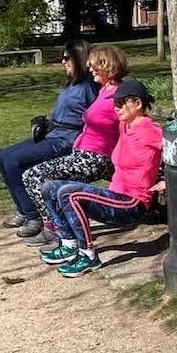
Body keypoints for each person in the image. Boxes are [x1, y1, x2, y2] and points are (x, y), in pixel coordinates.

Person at [38, 79, 163, 277]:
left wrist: (168, 181)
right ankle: (69, 245)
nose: (117, 108)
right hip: (114, 196)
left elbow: (176, 146)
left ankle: (88, 255)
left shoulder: (148, 130)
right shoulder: (126, 126)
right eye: (115, 103)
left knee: (70, 194)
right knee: (49, 187)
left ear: (138, 104)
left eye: (122, 103)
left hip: (132, 203)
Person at [18, 45, 129, 245]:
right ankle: (59, 228)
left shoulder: (119, 94)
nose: (90, 68)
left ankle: (56, 231)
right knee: (41, 179)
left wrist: (124, 163)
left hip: (96, 158)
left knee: (33, 175)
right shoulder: (104, 91)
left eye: (94, 65)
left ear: (107, 66)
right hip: (82, 153)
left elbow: (131, 127)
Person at [0, 40, 99, 235]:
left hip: (65, 141)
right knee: (2, 156)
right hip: (52, 135)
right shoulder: (73, 84)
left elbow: (95, 117)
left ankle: (33, 216)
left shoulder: (89, 87)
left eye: (66, 57)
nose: (62, 61)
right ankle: (23, 210)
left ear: (80, 58)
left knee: (13, 161)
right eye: (61, 57)